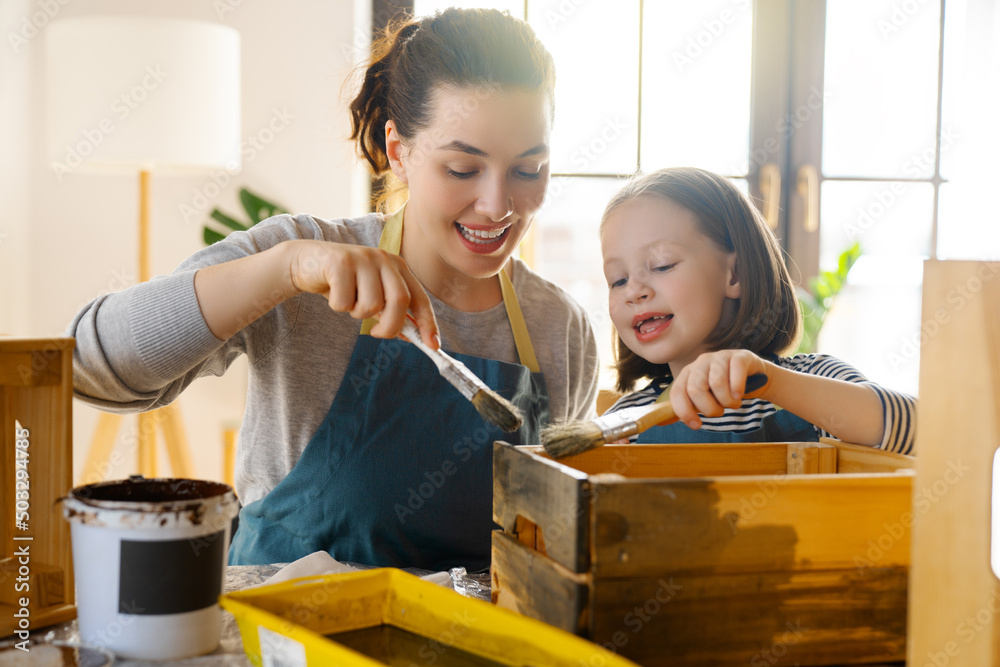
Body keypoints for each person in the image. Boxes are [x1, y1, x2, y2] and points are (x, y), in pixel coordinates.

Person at [68, 8, 599, 571]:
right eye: (463, 169)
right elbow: (88, 365)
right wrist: (285, 270)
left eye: (528, 170)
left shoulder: (559, 327)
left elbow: (558, 550)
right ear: (399, 152)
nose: (497, 206)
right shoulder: (303, 254)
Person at [600, 167, 915, 454]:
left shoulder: (813, 379)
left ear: (734, 274)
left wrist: (771, 383)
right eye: (618, 280)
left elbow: (918, 431)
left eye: (661, 264)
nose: (633, 291)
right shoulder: (628, 422)